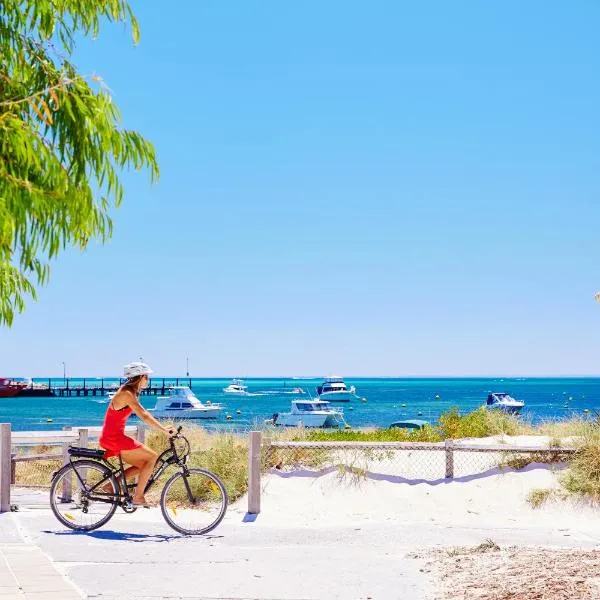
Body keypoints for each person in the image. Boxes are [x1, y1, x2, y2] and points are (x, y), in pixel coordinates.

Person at [99, 362, 173, 507]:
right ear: (140, 377)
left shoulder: (130, 392)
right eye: (147, 377)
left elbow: (143, 414)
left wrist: (163, 428)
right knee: (152, 457)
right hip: (113, 438)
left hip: (115, 437)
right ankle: (138, 497)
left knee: (146, 464)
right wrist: (164, 430)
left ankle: (111, 485)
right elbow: (144, 415)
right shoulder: (126, 393)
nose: (148, 380)